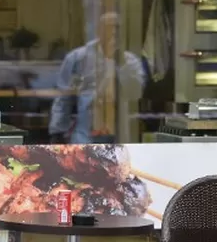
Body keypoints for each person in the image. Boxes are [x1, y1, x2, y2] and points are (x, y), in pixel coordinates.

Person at [48, 12, 146, 144]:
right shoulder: (78, 58)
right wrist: (57, 130)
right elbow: (63, 96)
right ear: (99, 30)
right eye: (109, 28)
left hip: (119, 133)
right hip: (85, 132)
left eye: (117, 28)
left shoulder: (131, 61)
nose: (114, 33)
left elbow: (136, 93)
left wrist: (122, 65)